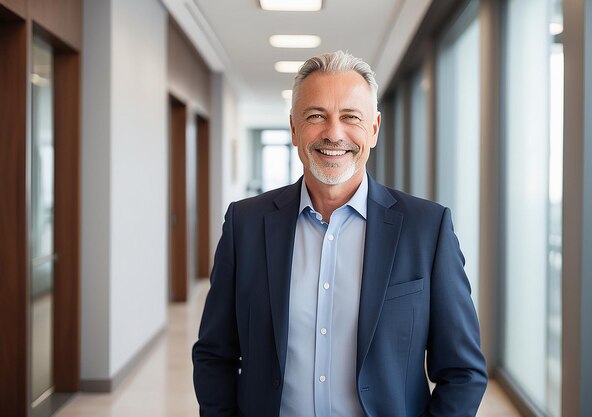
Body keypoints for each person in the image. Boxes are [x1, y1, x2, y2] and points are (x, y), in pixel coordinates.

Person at [192, 50, 487, 417]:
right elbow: (215, 354)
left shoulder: (426, 229)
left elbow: (463, 372)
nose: (334, 133)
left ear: (374, 129)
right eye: (316, 116)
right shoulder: (245, 224)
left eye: (351, 117)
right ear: (295, 129)